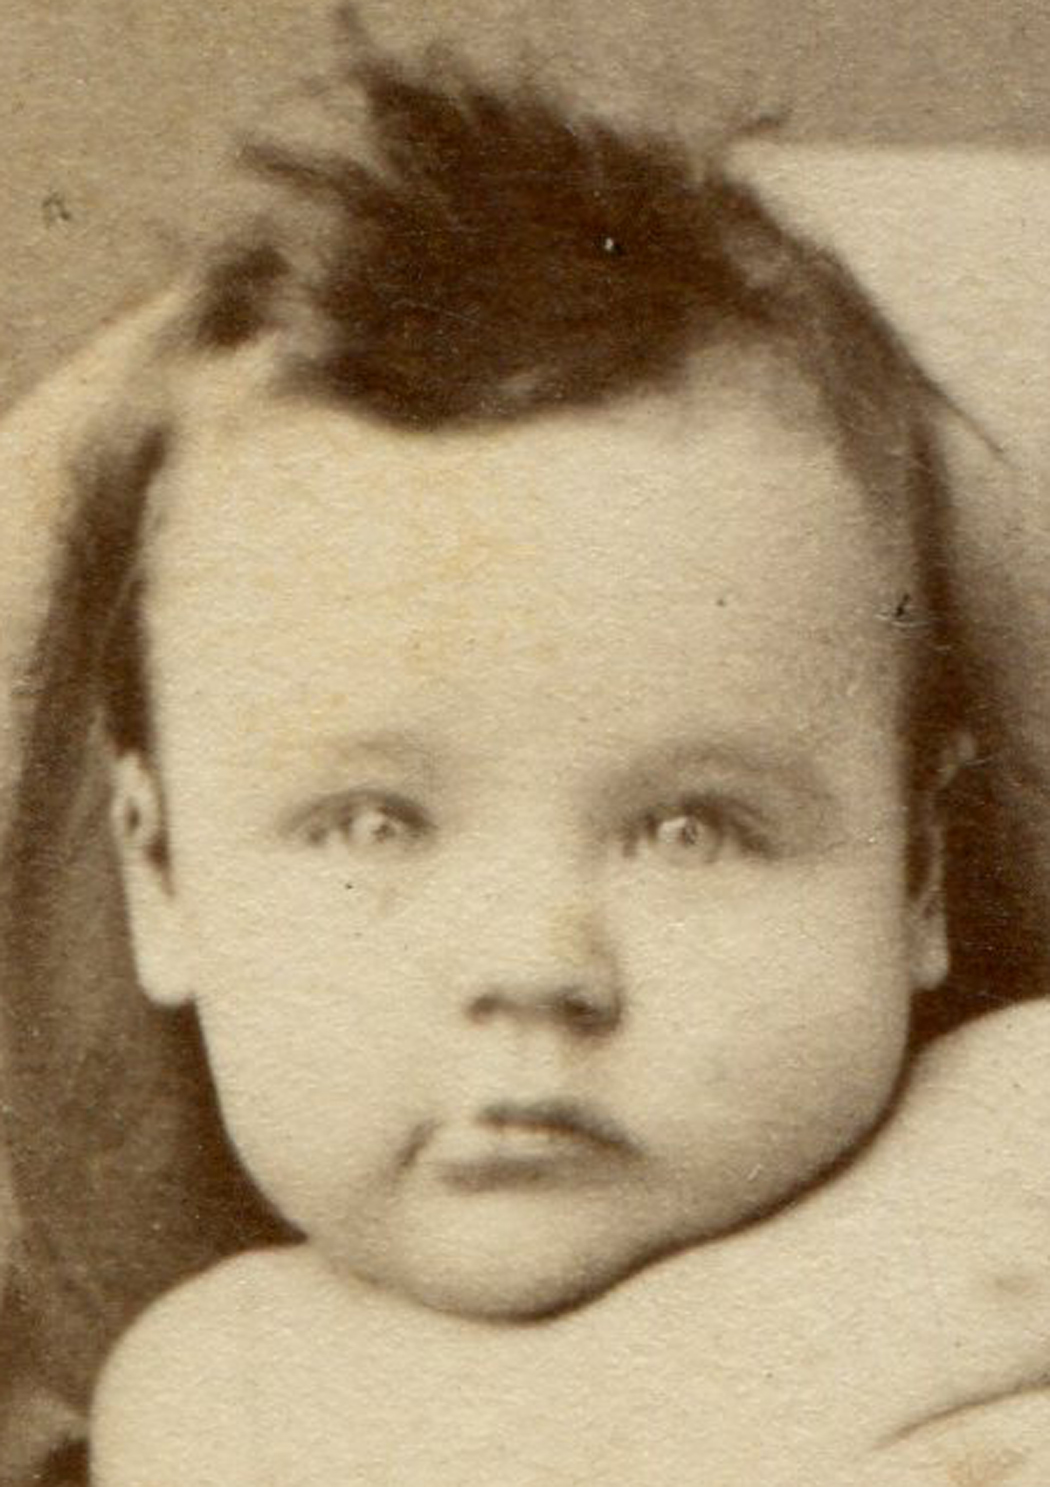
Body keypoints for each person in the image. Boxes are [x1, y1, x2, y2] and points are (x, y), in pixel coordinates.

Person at [3, 31, 1050, 1486]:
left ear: (918, 869)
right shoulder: (212, 1389)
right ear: (160, 878)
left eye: (693, 827)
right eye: (369, 823)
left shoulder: (1009, 1155)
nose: (536, 966)